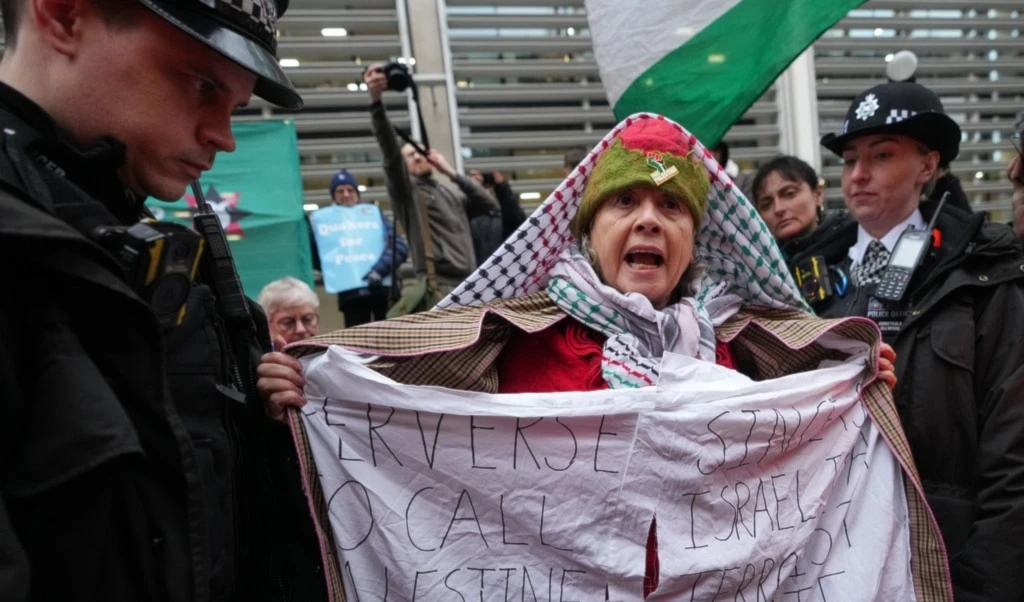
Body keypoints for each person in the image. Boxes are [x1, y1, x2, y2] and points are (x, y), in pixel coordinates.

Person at [257, 116, 952, 600]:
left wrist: (855, 386)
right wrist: (307, 386)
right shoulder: (509, 339)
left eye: (671, 209)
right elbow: (388, 416)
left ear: (693, 239)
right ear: (591, 231)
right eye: (624, 202)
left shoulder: (746, 347)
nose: (649, 219)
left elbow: (820, 444)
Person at [0, 1, 325, 601]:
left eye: (234, 105)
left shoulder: (163, 260)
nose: (223, 136)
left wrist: (267, 428)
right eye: (202, 86)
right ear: (64, 14)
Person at [793, 79, 1024, 600]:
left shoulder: (982, 272)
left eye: (881, 155)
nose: (858, 174)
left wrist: (981, 587)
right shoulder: (800, 277)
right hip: (826, 563)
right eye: (850, 158)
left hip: (945, 562)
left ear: (927, 166)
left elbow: (1013, 455)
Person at [363, 63, 497, 313]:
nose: (415, 157)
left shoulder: (446, 191)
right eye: (409, 156)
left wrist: (450, 172)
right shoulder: (407, 192)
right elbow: (391, 154)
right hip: (439, 289)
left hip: (469, 287)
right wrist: (375, 103)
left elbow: (488, 205)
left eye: (418, 152)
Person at [313, 169, 408, 327]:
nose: (346, 194)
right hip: (351, 298)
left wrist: (379, 270)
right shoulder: (325, 224)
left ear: (357, 193)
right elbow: (320, 258)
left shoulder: (375, 215)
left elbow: (399, 247)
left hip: (383, 292)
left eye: (350, 189)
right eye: (340, 191)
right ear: (333, 196)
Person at [751, 155, 828, 246]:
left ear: (818, 194)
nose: (778, 209)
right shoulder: (760, 259)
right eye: (766, 205)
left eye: (789, 194)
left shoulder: (846, 246)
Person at [467, 168, 526, 263]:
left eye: (487, 185)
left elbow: (518, 220)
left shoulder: (502, 218)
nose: (483, 189)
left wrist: (502, 186)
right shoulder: (465, 213)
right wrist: (469, 188)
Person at [258, 277, 320, 346]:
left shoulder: (331, 354)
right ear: (266, 327)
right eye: (288, 323)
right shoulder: (256, 356)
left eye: (308, 319)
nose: (301, 330)